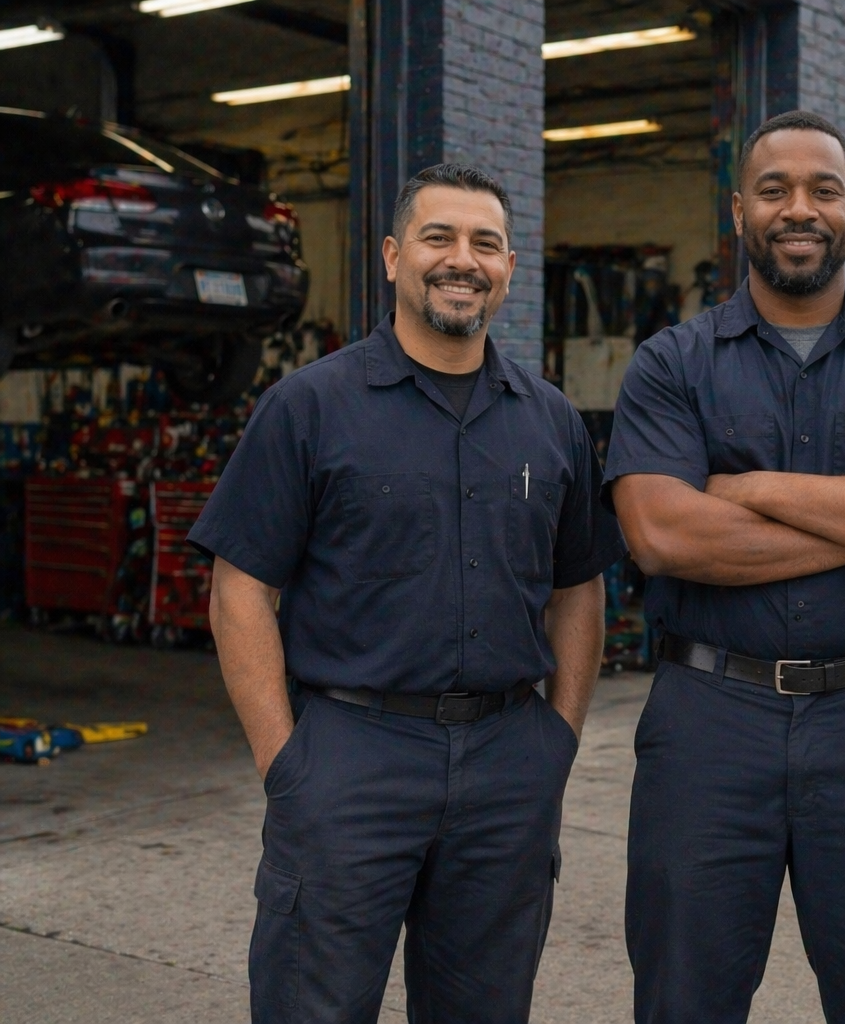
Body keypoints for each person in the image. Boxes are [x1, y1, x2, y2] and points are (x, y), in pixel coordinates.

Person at [190, 163, 625, 1024]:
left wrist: (556, 740)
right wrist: (289, 766)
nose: (461, 260)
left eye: (485, 244)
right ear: (393, 257)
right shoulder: (309, 408)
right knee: (313, 1006)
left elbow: (579, 588)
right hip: (351, 756)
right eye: (439, 238)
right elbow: (239, 591)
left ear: (507, 268)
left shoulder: (552, 421)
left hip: (509, 763)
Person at [603, 109, 845, 1024]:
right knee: (683, 1001)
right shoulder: (672, 363)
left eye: (823, 189)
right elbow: (664, 535)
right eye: (774, 189)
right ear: (740, 208)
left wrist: (748, 490)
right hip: (707, 722)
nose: (799, 208)